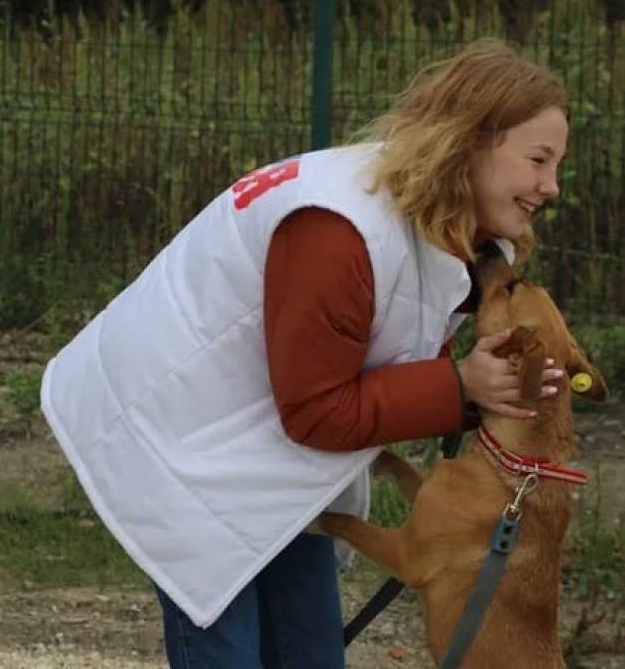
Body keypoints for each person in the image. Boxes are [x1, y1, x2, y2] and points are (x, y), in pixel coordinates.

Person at [39, 38, 572, 668]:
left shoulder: (456, 234)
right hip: (180, 431)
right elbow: (318, 410)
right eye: (539, 160)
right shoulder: (336, 229)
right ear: (474, 139)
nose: (552, 186)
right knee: (227, 644)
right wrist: (459, 388)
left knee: (309, 652)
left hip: (267, 440)